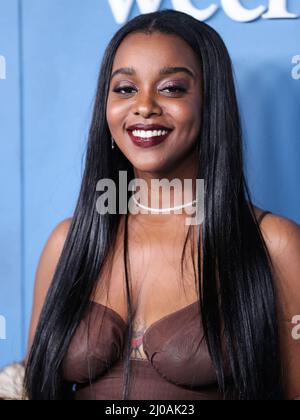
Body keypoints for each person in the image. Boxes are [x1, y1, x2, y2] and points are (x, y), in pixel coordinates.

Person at [24, 10, 300, 400]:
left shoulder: (275, 244)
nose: (145, 106)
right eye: (125, 89)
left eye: (171, 88)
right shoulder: (67, 243)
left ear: (210, 102)